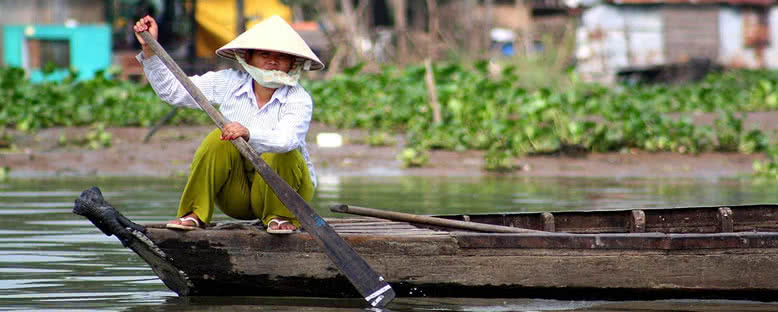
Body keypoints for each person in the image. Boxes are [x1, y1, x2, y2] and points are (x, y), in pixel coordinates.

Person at [133, 15, 324, 234]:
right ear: (248, 57)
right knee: (218, 138)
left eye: (281, 56)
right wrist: (150, 49)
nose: (273, 61)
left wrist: (248, 133)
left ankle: (279, 217)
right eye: (264, 54)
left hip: (289, 196)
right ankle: (194, 212)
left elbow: (286, 139)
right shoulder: (229, 82)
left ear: (293, 63)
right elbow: (173, 91)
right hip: (238, 196)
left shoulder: (298, 98)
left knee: (282, 153)